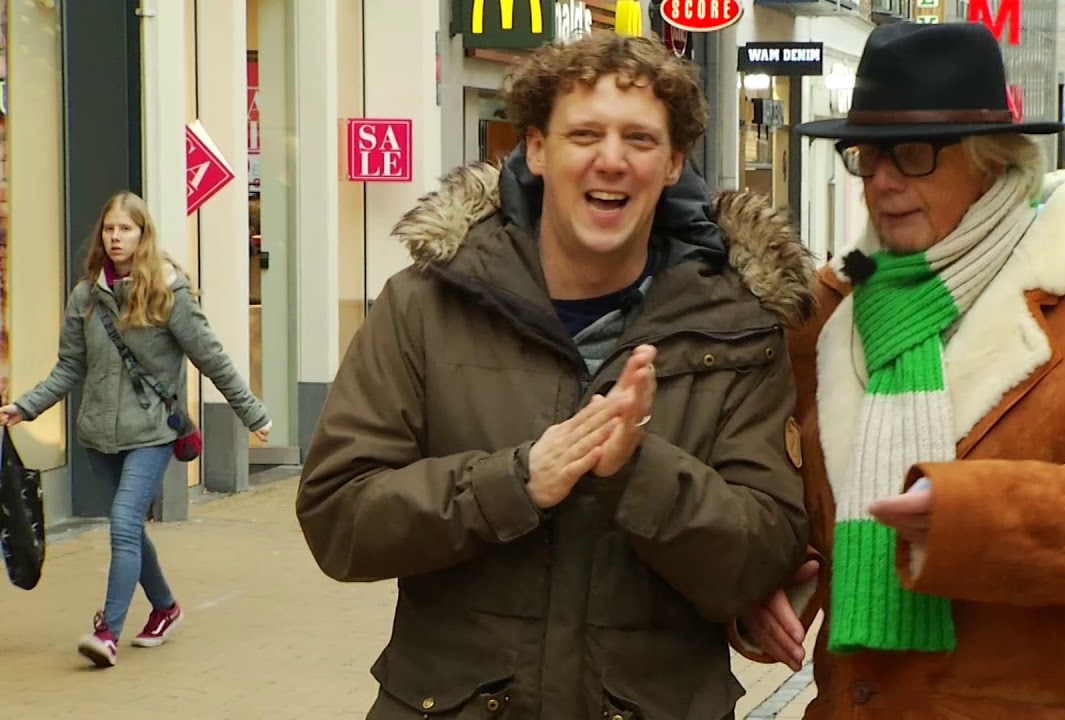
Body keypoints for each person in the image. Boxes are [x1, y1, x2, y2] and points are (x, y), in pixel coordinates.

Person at [731, 22, 1065, 719]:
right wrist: (768, 589)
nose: (880, 182)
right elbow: (803, 515)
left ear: (992, 159)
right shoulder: (832, 309)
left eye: (909, 156)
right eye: (865, 156)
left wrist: (972, 520)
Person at [295, 33, 811, 720]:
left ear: (673, 163)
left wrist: (637, 470)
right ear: (535, 150)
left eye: (640, 139)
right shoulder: (426, 305)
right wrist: (513, 483)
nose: (611, 159)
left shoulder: (738, 326)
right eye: (584, 133)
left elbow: (761, 556)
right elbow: (339, 518)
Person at [0, 192, 271, 668]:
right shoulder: (86, 297)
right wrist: (24, 407)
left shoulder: (168, 294)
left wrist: (252, 414)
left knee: (124, 525)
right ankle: (165, 608)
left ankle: (107, 632)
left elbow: (213, 359)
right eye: (109, 229)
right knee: (130, 532)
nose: (115, 237)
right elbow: (68, 368)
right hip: (98, 436)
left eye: (125, 229)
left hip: (152, 432)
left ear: (143, 234)